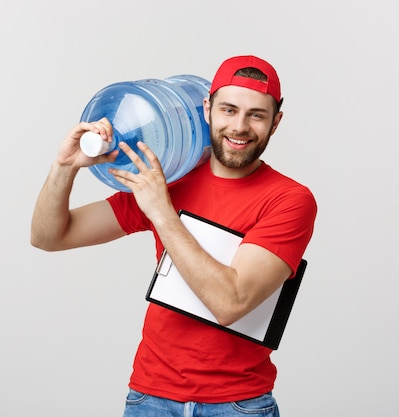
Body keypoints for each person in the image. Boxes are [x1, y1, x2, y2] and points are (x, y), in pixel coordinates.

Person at [31, 55, 317, 416]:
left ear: (275, 122)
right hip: (148, 398)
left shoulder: (289, 200)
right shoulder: (170, 177)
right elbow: (49, 237)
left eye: (256, 115)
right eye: (228, 110)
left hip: (238, 404)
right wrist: (64, 167)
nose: (240, 127)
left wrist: (163, 212)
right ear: (208, 108)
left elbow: (230, 303)